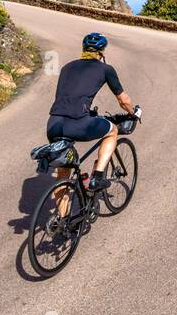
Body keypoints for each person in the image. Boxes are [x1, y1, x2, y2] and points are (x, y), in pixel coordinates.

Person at [46, 32, 138, 194]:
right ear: (102, 52)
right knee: (112, 131)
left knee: (64, 174)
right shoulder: (106, 69)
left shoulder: (67, 67)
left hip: (54, 124)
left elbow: (70, 97)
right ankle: (97, 177)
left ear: (83, 49)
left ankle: (60, 219)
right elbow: (124, 101)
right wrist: (132, 113)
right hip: (78, 123)